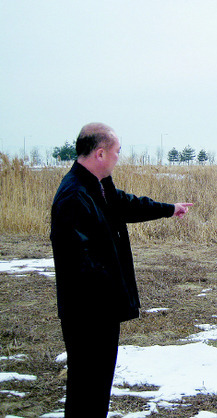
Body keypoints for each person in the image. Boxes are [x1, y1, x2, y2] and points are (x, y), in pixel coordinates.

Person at [50, 123, 192, 417]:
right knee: (86, 390)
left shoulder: (97, 186)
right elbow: (79, 263)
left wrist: (169, 208)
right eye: (117, 152)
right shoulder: (74, 196)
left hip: (101, 309)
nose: (119, 157)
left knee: (96, 388)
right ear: (100, 153)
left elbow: (126, 205)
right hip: (87, 312)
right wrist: (110, 288)